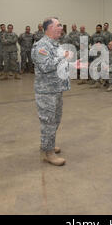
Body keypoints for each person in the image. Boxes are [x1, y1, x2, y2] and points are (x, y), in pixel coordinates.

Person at [32, 17, 79, 166]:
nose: (61, 28)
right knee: (48, 122)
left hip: (56, 89)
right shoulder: (41, 46)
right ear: (50, 28)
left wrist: (74, 64)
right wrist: (63, 56)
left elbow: (60, 64)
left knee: (55, 120)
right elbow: (45, 67)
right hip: (46, 92)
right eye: (58, 25)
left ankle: (47, 144)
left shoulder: (55, 44)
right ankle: (49, 153)